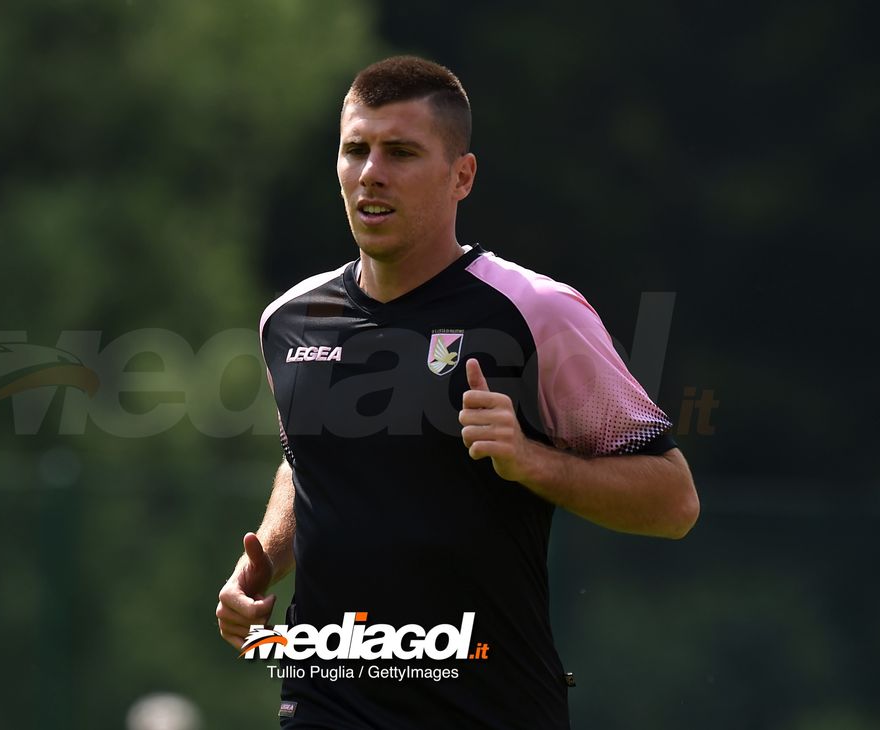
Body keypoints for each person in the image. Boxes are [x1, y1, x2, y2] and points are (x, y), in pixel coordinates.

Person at [216, 55, 699, 729]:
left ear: (461, 176)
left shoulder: (536, 312)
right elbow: (307, 465)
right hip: (326, 703)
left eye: (402, 152)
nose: (371, 172)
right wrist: (263, 562)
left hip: (489, 708)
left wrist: (534, 463)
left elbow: (673, 501)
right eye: (355, 150)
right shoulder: (289, 319)